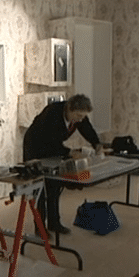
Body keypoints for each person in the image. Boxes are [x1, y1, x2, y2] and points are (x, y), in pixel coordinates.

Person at [23, 94, 102, 235]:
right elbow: (49, 142)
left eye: (83, 116)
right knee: (40, 189)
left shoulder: (78, 116)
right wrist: (70, 152)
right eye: (78, 115)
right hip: (35, 148)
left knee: (55, 185)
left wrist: (97, 144)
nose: (80, 119)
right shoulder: (52, 113)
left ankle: (54, 223)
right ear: (70, 109)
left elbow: (86, 128)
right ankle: (40, 228)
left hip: (53, 147)